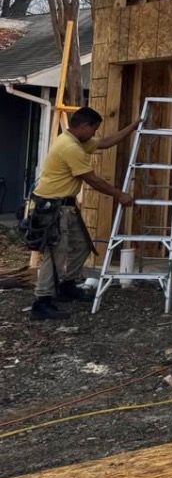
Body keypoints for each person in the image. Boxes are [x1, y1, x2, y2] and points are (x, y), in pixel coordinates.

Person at [25, 107, 139, 320]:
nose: (94, 134)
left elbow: (105, 143)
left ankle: (66, 286)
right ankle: (41, 302)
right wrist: (119, 194)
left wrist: (131, 128)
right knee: (55, 254)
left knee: (82, 245)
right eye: (94, 129)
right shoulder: (70, 147)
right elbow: (92, 180)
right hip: (53, 208)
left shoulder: (76, 141)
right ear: (84, 126)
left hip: (65, 206)